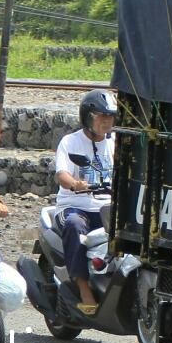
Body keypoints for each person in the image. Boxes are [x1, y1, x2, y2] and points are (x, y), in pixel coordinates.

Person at [53, 88, 117, 315]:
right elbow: (62, 175)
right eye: (102, 115)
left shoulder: (115, 143)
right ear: (88, 117)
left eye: (110, 116)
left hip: (107, 208)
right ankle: (83, 288)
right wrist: (75, 184)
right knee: (74, 226)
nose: (107, 121)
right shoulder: (70, 142)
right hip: (75, 207)